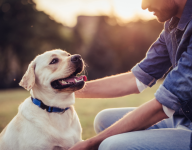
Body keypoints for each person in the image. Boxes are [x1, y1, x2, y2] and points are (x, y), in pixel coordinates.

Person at [69, 0, 192, 149]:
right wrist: (69, 90)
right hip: (182, 117)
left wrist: (90, 143)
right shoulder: (172, 25)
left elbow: (163, 106)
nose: (144, 6)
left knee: (111, 145)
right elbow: (137, 78)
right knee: (104, 119)